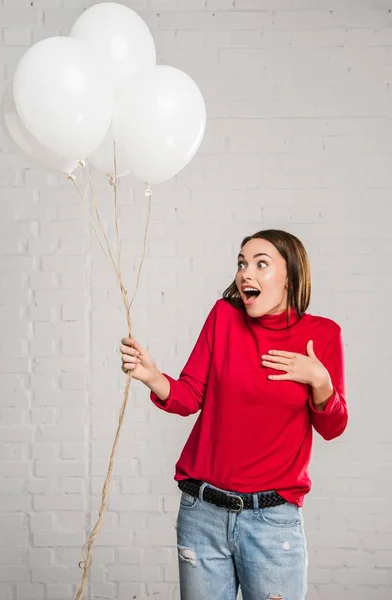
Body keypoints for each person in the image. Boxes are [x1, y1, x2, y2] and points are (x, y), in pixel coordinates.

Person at [120, 229, 348, 600]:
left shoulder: (321, 335)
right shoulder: (224, 317)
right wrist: (152, 376)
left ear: (290, 275)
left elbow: (333, 427)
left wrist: (320, 381)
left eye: (261, 264)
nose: (246, 273)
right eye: (242, 263)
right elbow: (189, 395)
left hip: (273, 522)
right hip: (202, 514)